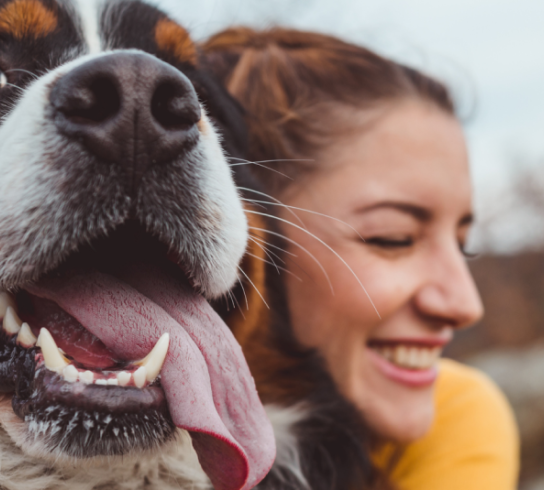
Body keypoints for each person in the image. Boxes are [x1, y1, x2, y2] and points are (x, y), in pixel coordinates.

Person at [201, 28, 519, 490]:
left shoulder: (453, 412)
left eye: (462, 243)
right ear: (242, 236)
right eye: (395, 239)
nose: (465, 304)